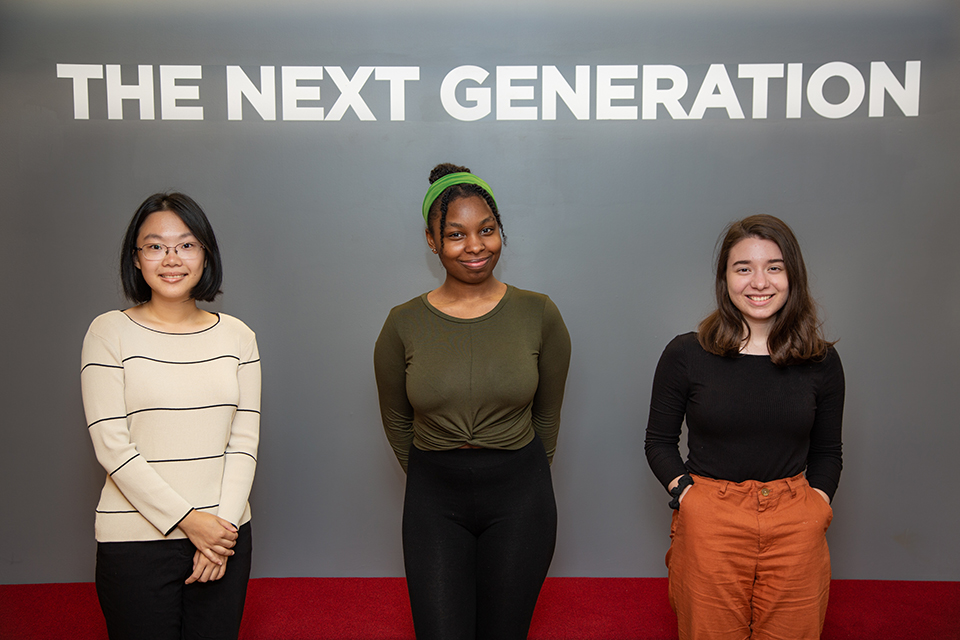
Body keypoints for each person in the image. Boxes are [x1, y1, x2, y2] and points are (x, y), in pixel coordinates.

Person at [374, 163, 571, 640]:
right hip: (434, 500)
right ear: (431, 241)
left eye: (487, 229)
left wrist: (520, 471)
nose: (476, 246)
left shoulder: (538, 313)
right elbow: (397, 420)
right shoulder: (402, 324)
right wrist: (436, 470)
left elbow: (547, 413)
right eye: (456, 234)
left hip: (521, 497)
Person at [644, 214, 844, 640]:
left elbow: (828, 452)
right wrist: (688, 497)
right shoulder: (686, 354)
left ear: (793, 275)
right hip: (710, 516)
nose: (759, 282)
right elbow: (659, 442)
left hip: (795, 520)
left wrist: (818, 505)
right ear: (725, 278)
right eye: (743, 268)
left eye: (774, 267)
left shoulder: (821, 361)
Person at [81, 192, 261, 640]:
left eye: (186, 244)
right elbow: (111, 445)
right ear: (136, 259)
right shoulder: (109, 332)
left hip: (224, 537)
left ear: (205, 254)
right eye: (155, 246)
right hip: (134, 541)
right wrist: (190, 521)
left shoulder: (238, 336)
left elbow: (243, 442)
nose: (171, 258)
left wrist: (218, 534)